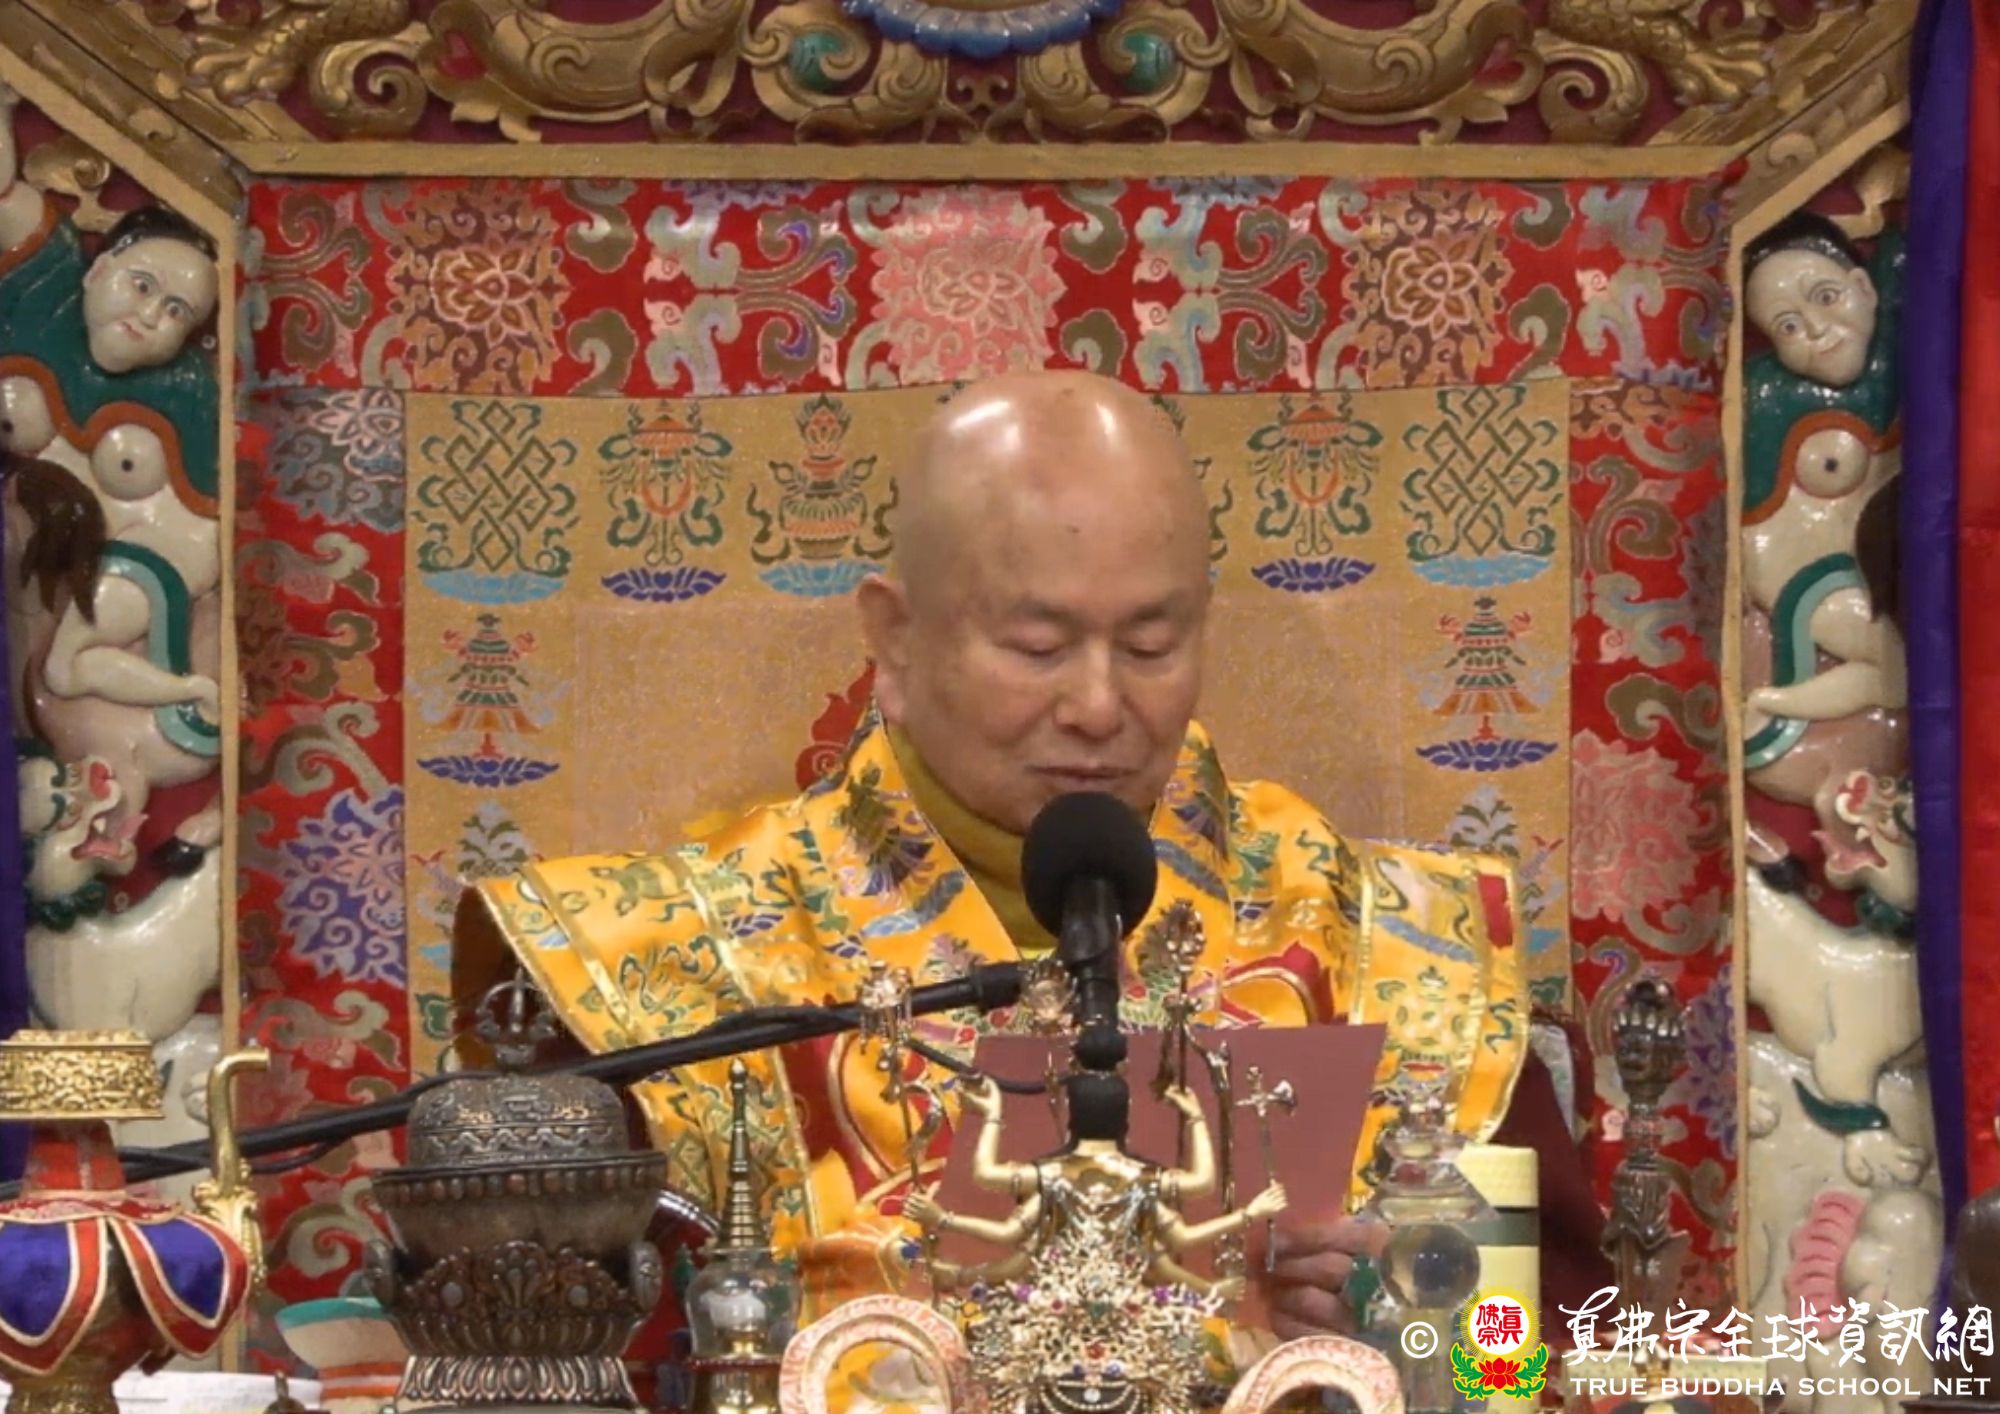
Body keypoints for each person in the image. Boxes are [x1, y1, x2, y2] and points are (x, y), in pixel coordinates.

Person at [456, 371, 1609, 1350]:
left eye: (1149, 644)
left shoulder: (1381, 943)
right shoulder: (671, 971)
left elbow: (1526, 1365)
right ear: (894, 640)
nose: (1099, 707)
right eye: (1036, 645)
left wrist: (1401, 1328)